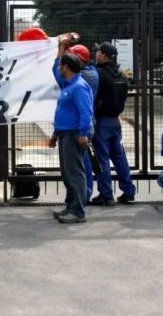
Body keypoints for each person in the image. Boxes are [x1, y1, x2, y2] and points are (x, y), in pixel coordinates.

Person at [52, 39, 98, 205]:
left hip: (75, 132)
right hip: (66, 132)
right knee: (68, 173)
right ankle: (71, 205)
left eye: (61, 65)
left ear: (67, 67)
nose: (58, 67)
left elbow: (85, 112)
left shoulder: (79, 85)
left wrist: (83, 133)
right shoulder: (69, 83)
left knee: (76, 172)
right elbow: (56, 72)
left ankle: (78, 208)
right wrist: (56, 133)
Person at [90, 42, 136, 206]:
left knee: (102, 158)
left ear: (104, 56)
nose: (96, 54)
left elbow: (94, 96)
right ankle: (129, 191)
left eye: (98, 52)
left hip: (101, 121)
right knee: (119, 156)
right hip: (116, 121)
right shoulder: (122, 75)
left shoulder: (98, 73)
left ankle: (106, 194)